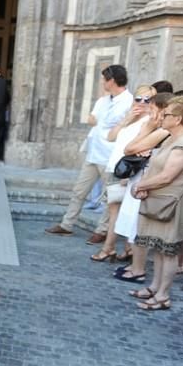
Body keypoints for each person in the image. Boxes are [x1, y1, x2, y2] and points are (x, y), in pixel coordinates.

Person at [46, 65, 133, 241]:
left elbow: (110, 121)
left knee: (109, 196)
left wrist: (100, 120)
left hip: (111, 155)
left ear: (112, 80)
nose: (102, 82)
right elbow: (91, 119)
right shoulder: (103, 100)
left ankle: (102, 230)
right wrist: (99, 120)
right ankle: (66, 224)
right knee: (79, 190)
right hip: (94, 151)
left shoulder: (128, 101)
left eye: (104, 79)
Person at [129, 97, 183, 311]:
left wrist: (140, 185)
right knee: (159, 249)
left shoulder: (182, 143)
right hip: (158, 200)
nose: (162, 116)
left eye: (167, 114)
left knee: (168, 251)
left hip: (171, 203)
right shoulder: (171, 139)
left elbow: (167, 176)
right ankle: (154, 287)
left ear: (178, 118)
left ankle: (163, 296)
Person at [91, 85, 156, 263]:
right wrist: (127, 119)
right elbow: (111, 137)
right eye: (138, 98)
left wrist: (129, 177)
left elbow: (144, 150)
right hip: (115, 168)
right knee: (116, 212)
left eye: (147, 100)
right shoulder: (133, 118)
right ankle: (125, 249)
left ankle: (109, 249)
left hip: (129, 172)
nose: (142, 103)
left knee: (118, 213)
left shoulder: (150, 122)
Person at [114, 93, 174, 284]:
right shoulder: (159, 129)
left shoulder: (163, 131)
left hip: (148, 181)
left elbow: (129, 148)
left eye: (153, 108)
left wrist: (146, 129)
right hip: (142, 179)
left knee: (137, 225)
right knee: (134, 224)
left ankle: (138, 269)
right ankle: (135, 266)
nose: (150, 111)